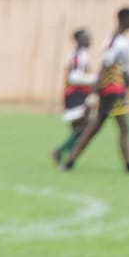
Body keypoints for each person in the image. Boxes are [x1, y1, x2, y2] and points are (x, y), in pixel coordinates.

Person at [63, 7, 129, 173]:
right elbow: (105, 65)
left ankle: (70, 161)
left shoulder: (123, 41)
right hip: (111, 91)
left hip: (116, 89)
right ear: (124, 19)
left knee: (94, 127)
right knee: (123, 126)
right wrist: (94, 92)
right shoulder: (114, 41)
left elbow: (123, 68)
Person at [53, 27, 98, 167]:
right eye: (86, 37)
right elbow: (74, 77)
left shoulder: (77, 54)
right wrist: (94, 80)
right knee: (84, 126)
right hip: (77, 94)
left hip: (76, 93)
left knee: (79, 127)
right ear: (78, 40)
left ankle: (69, 158)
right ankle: (61, 151)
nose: (89, 39)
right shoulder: (79, 55)